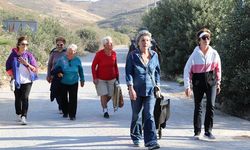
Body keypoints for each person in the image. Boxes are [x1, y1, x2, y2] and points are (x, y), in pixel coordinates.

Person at [183, 28, 221, 140]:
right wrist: (187, 86)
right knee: (198, 107)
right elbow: (187, 70)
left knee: (211, 105)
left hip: (211, 81)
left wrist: (218, 83)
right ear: (199, 40)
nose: (206, 40)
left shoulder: (214, 53)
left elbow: (218, 68)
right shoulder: (194, 55)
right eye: (203, 38)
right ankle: (197, 132)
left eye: (208, 38)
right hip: (198, 82)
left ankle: (208, 131)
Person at [125, 30, 160, 149]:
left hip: (150, 90)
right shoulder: (133, 56)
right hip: (136, 89)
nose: (145, 42)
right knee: (137, 115)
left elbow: (157, 72)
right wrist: (130, 89)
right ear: (138, 43)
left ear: (150, 43)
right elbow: (128, 73)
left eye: (147, 40)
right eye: (142, 40)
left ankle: (151, 141)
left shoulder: (154, 55)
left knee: (149, 114)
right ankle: (136, 136)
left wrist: (158, 86)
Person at [5, 36, 38, 125]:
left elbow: (34, 68)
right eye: (23, 44)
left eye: (26, 44)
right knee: (18, 99)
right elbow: (8, 67)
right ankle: (19, 113)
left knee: (25, 98)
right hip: (17, 81)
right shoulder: (13, 55)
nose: (25, 46)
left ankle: (24, 116)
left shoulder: (29, 55)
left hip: (27, 80)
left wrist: (26, 64)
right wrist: (12, 76)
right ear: (18, 45)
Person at [53, 44, 85, 120]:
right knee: (63, 98)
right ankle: (65, 112)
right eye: (69, 51)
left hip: (74, 81)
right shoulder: (62, 59)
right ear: (66, 52)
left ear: (75, 52)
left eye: (72, 52)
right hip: (63, 82)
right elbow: (56, 68)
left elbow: (80, 70)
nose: (70, 53)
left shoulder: (77, 60)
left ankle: (72, 115)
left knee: (73, 98)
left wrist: (82, 79)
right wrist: (58, 73)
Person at [91, 36, 119, 119]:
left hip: (112, 78)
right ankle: (105, 110)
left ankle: (103, 103)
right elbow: (93, 66)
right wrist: (95, 77)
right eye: (108, 43)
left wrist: (117, 77)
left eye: (111, 43)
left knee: (110, 95)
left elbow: (115, 66)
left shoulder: (114, 53)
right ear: (104, 45)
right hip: (101, 78)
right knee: (104, 94)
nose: (110, 44)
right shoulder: (99, 54)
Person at [46, 37, 67, 114]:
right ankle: (60, 105)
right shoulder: (53, 53)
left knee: (63, 91)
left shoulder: (67, 52)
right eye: (57, 44)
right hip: (54, 75)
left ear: (64, 45)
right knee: (56, 92)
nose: (59, 46)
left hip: (65, 75)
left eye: (61, 44)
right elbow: (49, 65)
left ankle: (62, 106)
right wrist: (48, 75)